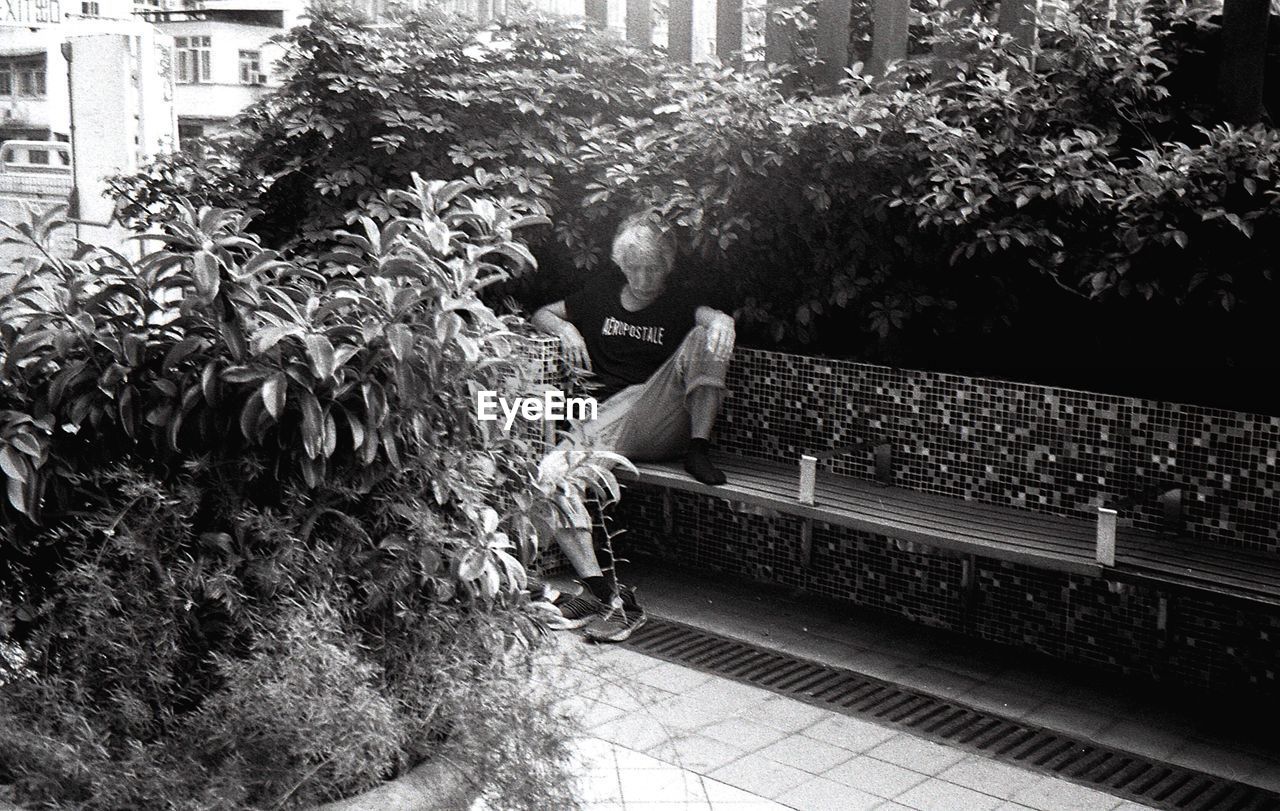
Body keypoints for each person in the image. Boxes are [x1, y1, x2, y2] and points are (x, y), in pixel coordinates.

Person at [530, 210, 736, 640]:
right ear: (622, 265)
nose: (644, 278)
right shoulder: (600, 294)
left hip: (660, 413)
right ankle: (596, 589)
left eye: (653, 268)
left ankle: (700, 445)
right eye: (636, 268)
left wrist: (723, 320)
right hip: (608, 419)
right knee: (552, 473)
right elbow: (542, 313)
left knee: (706, 334)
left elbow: (711, 318)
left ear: (667, 266)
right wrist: (565, 331)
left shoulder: (678, 302)